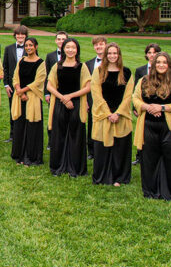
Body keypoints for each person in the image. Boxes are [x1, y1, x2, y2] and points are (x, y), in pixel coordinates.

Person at [132, 52, 171, 205]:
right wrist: (147, 107)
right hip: (148, 126)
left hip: (170, 127)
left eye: (164, 62)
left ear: (169, 64)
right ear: (154, 64)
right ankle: (151, 191)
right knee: (149, 159)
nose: (161, 65)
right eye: (158, 62)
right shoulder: (144, 81)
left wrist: (162, 107)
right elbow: (135, 98)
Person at [90, 42, 134, 186]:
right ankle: (103, 176)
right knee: (103, 147)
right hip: (104, 115)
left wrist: (118, 113)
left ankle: (119, 177)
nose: (112, 56)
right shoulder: (99, 71)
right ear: (105, 55)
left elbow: (128, 96)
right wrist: (108, 113)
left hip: (120, 116)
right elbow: (96, 93)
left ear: (119, 55)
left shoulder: (126, 72)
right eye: (109, 53)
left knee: (119, 148)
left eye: (115, 53)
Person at [46, 38, 91, 177]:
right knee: (59, 135)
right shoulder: (57, 66)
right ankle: (58, 166)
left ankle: (75, 167)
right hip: (60, 104)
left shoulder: (82, 67)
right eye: (68, 47)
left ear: (77, 50)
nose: (70, 50)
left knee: (75, 136)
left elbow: (88, 87)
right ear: (63, 49)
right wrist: (63, 98)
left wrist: (70, 96)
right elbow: (49, 86)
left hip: (76, 105)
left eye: (73, 47)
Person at [10, 38, 46, 165]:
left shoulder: (41, 63)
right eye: (26, 45)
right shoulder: (21, 61)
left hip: (33, 98)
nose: (28, 47)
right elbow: (15, 77)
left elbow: (38, 81)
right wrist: (19, 90)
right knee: (19, 125)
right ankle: (19, 154)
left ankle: (31, 156)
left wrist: (24, 91)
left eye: (31, 45)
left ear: (36, 46)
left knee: (32, 126)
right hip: (20, 98)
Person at [132, 43, 161, 165]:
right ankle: (140, 156)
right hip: (143, 105)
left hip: (158, 104)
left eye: (154, 53)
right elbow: (135, 90)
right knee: (141, 131)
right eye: (149, 53)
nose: (152, 55)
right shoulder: (140, 70)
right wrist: (135, 106)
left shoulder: (163, 68)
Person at [3, 26, 30, 142]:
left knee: (26, 110)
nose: (20, 36)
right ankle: (13, 134)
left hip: (26, 85)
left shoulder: (30, 48)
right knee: (13, 109)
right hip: (12, 85)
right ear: (15, 35)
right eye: (18, 34)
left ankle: (25, 133)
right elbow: (5, 67)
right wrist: (6, 85)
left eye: (22, 34)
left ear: (25, 36)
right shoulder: (8, 49)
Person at [84, 36, 108, 159]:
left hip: (107, 98)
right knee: (92, 125)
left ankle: (106, 147)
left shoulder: (111, 62)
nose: (98, 47)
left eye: (101, 44)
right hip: (92, 99)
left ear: (106, 45)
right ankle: (92, 151)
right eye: (96, 45)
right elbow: (85, 84)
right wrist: (86, 101)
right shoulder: (88, 64)